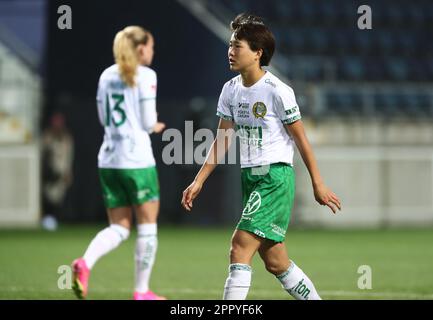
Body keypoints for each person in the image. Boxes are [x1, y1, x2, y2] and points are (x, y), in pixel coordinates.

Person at [181, 13, 341, 300]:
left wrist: (318, 183)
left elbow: (301, 139)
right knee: (276, 261)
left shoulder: (278, 91)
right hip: (251, 179)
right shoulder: (229, 91)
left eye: (237, 46)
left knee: (239, 246)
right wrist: (199, 180)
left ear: (257, 53)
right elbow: (223, 139)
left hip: (274, 179)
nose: (230, 51)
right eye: (230, 45)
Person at [72, 26, 166, 300]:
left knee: (119, 228)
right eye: (150, 46)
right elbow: (148, 122)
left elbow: (103, 118)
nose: (152, 51)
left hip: (109, 158)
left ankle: (85, 263)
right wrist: (155, 125)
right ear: (140, 49)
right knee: (147, 226)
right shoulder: (146, 75)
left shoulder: (106, 75)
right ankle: (141, 292)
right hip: (137, 160)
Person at [41, 112, 74, 231]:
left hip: (62, 171)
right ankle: (47, 219)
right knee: (48, 196)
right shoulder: (48, 137)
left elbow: (69, 156)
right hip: (50, 172)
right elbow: (44, 154)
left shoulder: (66, 138)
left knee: (59, 197)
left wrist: (68, 171)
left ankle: (56, 219)